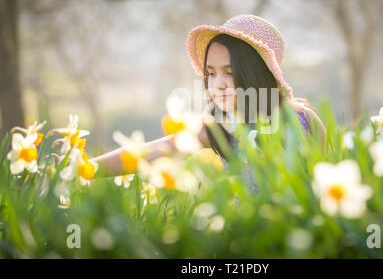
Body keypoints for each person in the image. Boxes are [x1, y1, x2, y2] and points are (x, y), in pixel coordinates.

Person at [91, 15, 326, 185]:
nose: (218, 84)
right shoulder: (218, 127)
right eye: (211, 73)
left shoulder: (303, 121)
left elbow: (322, 185)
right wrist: (85, 169)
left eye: (229, 72)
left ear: (255, 74)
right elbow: (145, 153)